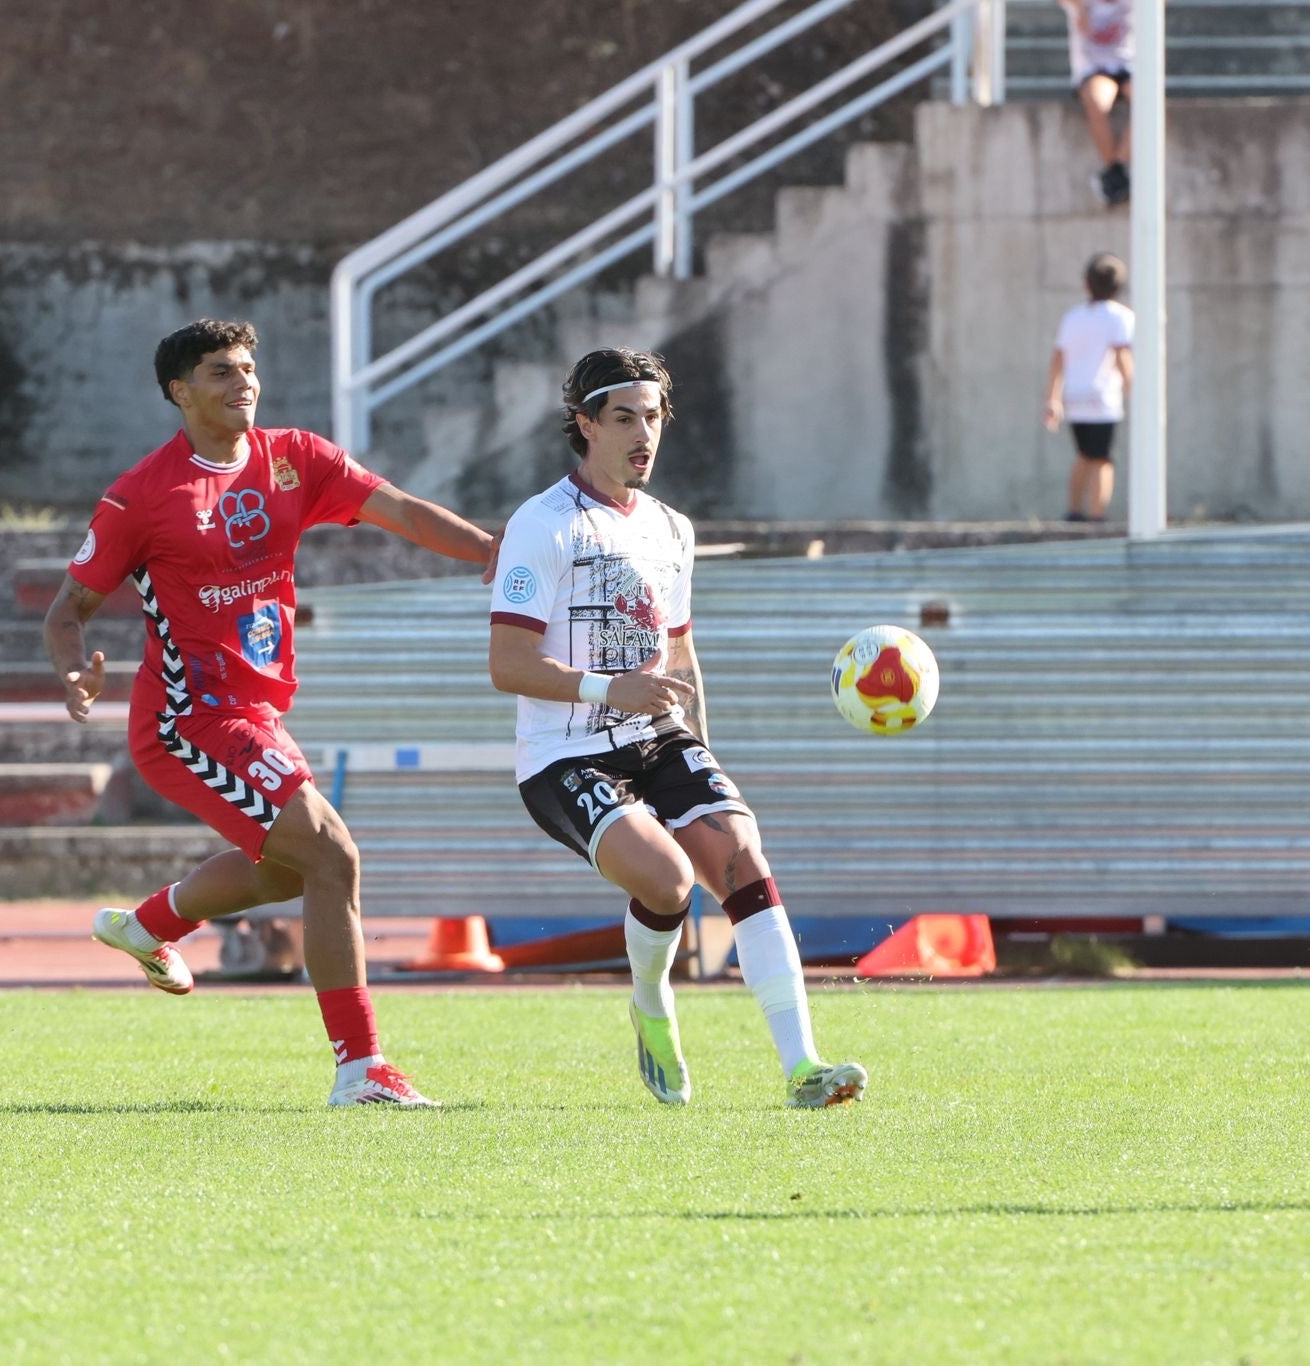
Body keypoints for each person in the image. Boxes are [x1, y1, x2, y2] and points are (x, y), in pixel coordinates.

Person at [48, 318, 496, 1108]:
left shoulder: (295, 459)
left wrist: (499, 557)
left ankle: (149, 925)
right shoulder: (141, 495)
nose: (243, 382)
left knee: (291, 869)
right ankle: (361, 1069)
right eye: (221, 372)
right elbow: (67, 609)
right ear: (180, 392)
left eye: (249, 367)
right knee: (335, 856)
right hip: (187, 721)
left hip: (257, 710)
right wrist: (74, 673)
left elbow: (406, 513)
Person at [486, 347, 868, 1110]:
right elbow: (508, 665)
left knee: (741, 857)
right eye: (624, 418)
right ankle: (651, 1003)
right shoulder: (543, 524)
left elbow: (681, 653)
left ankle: (803, 1067)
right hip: (566, 754)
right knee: (666, 881)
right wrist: (610, 686)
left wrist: (702, 745)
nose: (643, 434)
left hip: (660, 736)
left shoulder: (672, 528)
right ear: (584, 424)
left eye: (653, 417)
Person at [1043, 252, 1135, 523]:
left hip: (1075, 396)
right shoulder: (1120, 317)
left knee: (1084, 454)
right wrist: (1135, 390)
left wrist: (1052, 398)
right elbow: (1122, 356)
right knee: (1102, 459)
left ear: (1087, 282)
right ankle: (1097, 514)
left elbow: (1059, 359)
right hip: (1102, 399)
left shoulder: (1073, 317)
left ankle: (1074, 509)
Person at [1058, 0, 1134, 207]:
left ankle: (1115, 172)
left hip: (1129, 66)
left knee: (1147, 104)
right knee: (1097, 103)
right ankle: (1116, 172)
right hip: (1094, 68)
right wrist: (1081, 10)